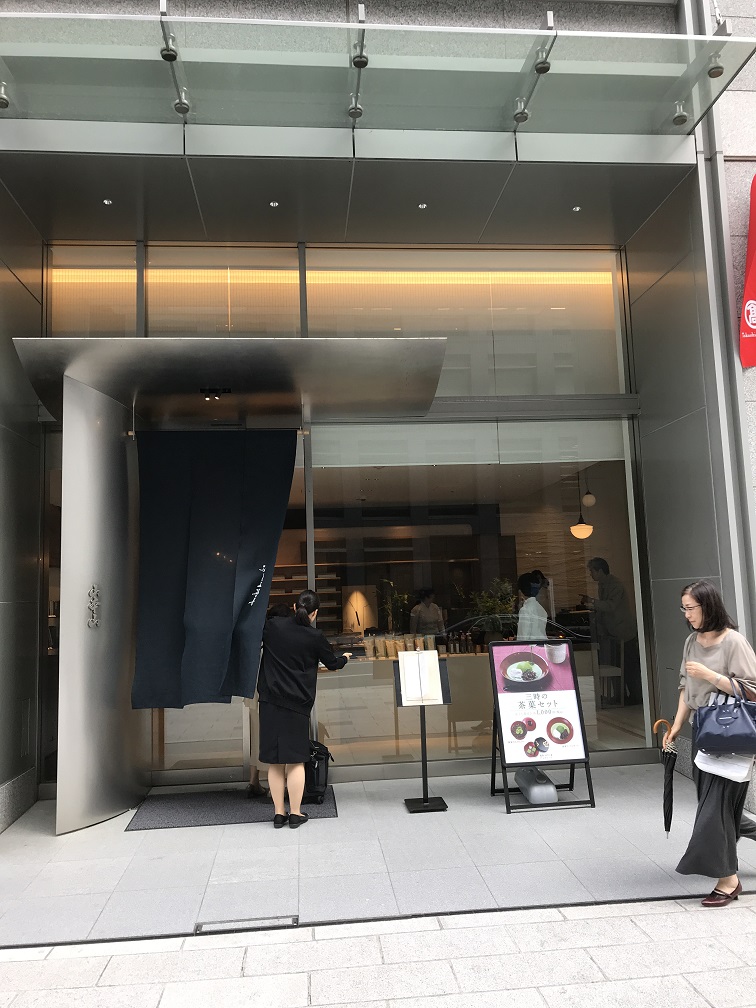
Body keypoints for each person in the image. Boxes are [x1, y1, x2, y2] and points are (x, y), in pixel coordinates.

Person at [664, 579, 756, 907]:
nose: (686, 614)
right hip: (703, 736)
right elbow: (684, 687)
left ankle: (727, 881)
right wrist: (675, 727)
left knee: (712, 811)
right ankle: (741, 834)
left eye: (691, 607)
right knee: (717, 808)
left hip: (733, 739)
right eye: (684, 608)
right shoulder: (692, 640)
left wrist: (711, 676)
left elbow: (753, 690)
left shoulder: (734, 642)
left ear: (708, 605)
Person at [257, 589, 351, 829]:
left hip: (269, 701)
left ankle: (279, 813)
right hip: (297, 704)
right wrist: (345, 658)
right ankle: (296, 813)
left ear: (293, 605)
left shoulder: (273, 627)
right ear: (315, 613)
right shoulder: (314, 636)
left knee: (275, 761)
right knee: (296, 760)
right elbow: (332, 664)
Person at [244, 603, 292, 799]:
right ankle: (275, 788)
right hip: (269, 698)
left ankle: (254, 781)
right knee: (274, 741)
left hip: (253, 696)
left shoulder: (258, 639)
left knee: (256, 738)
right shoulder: (277, 642)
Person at [581, 557, 642, 704]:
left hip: (624, 632)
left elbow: (611, 606)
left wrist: (592, 602)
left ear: (600, 570)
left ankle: (635, 696)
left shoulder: (615, 584)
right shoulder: (603, 584)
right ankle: (620, 696)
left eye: (592, 571)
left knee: (629, 666)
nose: (590, 574)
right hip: (614, 632)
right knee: (618, 665)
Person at [516, 571, 548, 640]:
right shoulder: (541, 609)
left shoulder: (525, 610)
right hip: (543, 646)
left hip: (531, 649)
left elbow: (523, 638)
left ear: (521, 591)